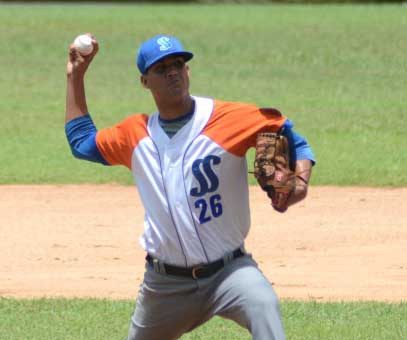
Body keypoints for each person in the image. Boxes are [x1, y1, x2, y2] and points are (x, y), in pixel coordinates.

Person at [65, 33, 315, 340]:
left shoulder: (229, 118)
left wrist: (301, 180)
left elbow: (293, 138)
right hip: (165, 286)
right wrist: (76, 75)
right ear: (145, 82)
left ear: (188, 71)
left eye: (179, 64)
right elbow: (81, 143)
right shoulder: (134, 134)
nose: (173, 71)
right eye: (161, 68)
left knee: (264, 306)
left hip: (231, 272)